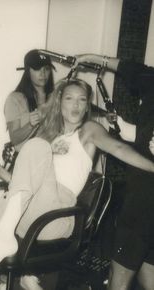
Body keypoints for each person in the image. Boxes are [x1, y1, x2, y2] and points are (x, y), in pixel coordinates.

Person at [0, 79, 154, 290]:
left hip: (57, 216)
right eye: (69, 98)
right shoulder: (49, 134)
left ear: (87, 105)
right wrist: (0, 171)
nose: (76, 105)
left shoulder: (88, 131)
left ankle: (3, 239)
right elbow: (26, 186)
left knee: (36, 146)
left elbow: (120, 149)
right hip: (27, 210)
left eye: (82, 100)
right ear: (59, 102)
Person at [75, 54, 154, 290]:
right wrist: (118, 124)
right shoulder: (150, 78)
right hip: (143, 193)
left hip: (144, 197)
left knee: (118, 274)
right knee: (147, 268)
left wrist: (90, 56)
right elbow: (124, 66)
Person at [4, 49, 55, 153]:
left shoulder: (55, 98)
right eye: (37, 69)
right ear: (27, 70)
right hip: (26, 160)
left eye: (46, 68)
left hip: (51, 159)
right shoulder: (15, 99)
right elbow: (14, 139)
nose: (43, 73)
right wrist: (30, 125)